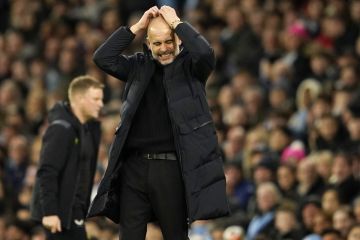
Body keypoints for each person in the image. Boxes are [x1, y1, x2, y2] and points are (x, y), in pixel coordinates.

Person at [87, 5, 229, 240]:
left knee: (175, 235)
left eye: (168, 41)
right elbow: (102, 57)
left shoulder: (191, 69)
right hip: (134, 168)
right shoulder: (137, 67)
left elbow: (205, 54)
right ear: (148, 44)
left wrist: (177, 23)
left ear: (178, 40)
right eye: (157, 43)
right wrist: (137, 27)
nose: (164, 49)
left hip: (170, 168)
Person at [30, 75, 104, 240]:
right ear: (79, 99)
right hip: (59, 213)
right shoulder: (62, 129)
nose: (101, 104)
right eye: (96, 99)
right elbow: (47, 172)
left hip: (73, 211)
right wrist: (50, 212)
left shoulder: (86, 129)